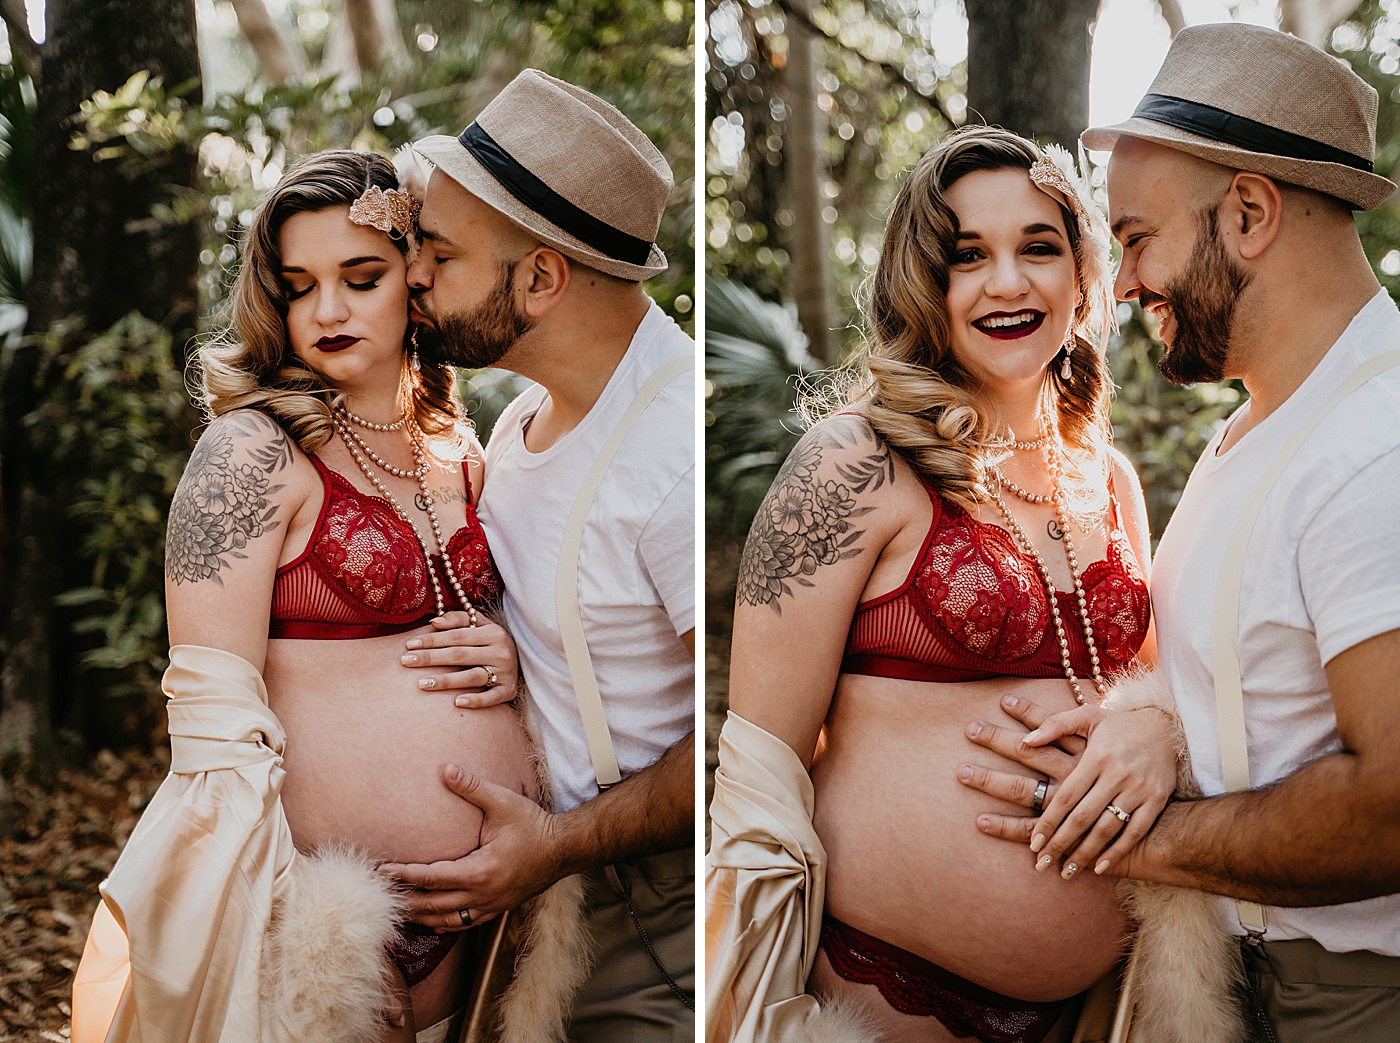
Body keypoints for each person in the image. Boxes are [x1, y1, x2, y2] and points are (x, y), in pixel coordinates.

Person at [69, 150, 586, 1043]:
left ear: (416, 281)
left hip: (483, 929)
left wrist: (510, 650)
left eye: (361, 276)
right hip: (311, 920)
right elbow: (210, 738)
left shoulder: (467, 449)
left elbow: (530, 623)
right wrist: (295, 925)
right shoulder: (253, 453)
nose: (329, 310)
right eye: (299, 286)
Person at [957, 23, 1400, 1043]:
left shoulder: (1373, 444)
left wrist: (1131, 839)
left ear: (1246, 212)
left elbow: (1388, 803)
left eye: (1136, 237)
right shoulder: (1255, 430)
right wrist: (1145, 729)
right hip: (1245, 980)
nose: (1123, 284)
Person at [706, 125, 1179, 1043]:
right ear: (925, 283)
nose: (1008, 283)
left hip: (1103, 1004)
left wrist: (1158, 727)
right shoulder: (855, 461)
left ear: (1082, 275)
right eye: (968, 257)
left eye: (1038, 248)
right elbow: (759, 767)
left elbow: (1152, 693)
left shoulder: (1110, 479)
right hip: (883, 990)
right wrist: (749, 1003)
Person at [372, 70, 698, 1040]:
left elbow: (740, 747)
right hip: (518, 905)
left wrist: (557, 844)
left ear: (541, 278)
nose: (413, 274)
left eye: (440, 251)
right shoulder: (519, 420)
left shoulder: (671, 451)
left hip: (642, 914)